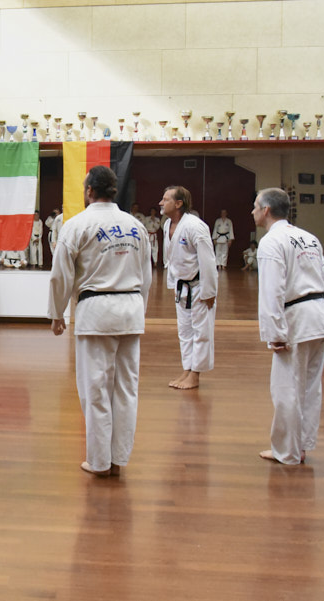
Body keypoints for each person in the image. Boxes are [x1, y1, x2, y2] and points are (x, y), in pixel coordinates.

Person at [49, 165, 152, 477]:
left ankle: (99, 462)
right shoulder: (135, 226)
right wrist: (140, 309)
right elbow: (146, 275)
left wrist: (57, 313)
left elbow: (60, 275)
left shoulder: (77, 225)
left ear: (89, 190)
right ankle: (118, 459)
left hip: (97, 311)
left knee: (95, 388)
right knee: (126, 389)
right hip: (131, 308)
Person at [252, 187, 324, 465]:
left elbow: (272, 291)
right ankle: (301, 446)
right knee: (310, 387)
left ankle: (287, 451)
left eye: (255, 206)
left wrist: (274, 333)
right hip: (319, 315)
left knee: (286, 388)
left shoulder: (271, 242)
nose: (252, 211)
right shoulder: (308, 237)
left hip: (297, 318)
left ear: (266, 210)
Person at [160, 185, 218, 390]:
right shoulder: (167, 225)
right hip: (182, 287)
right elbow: (171, 259)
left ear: (178, 203)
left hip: (200, 286)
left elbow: (208, 260)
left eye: (165, 199)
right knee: (184, 331)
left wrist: (209, 291)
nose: (160, 203)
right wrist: (172, 284)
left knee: (201, 331)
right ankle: (187, 369)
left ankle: (195, 374)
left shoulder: (195, 226)